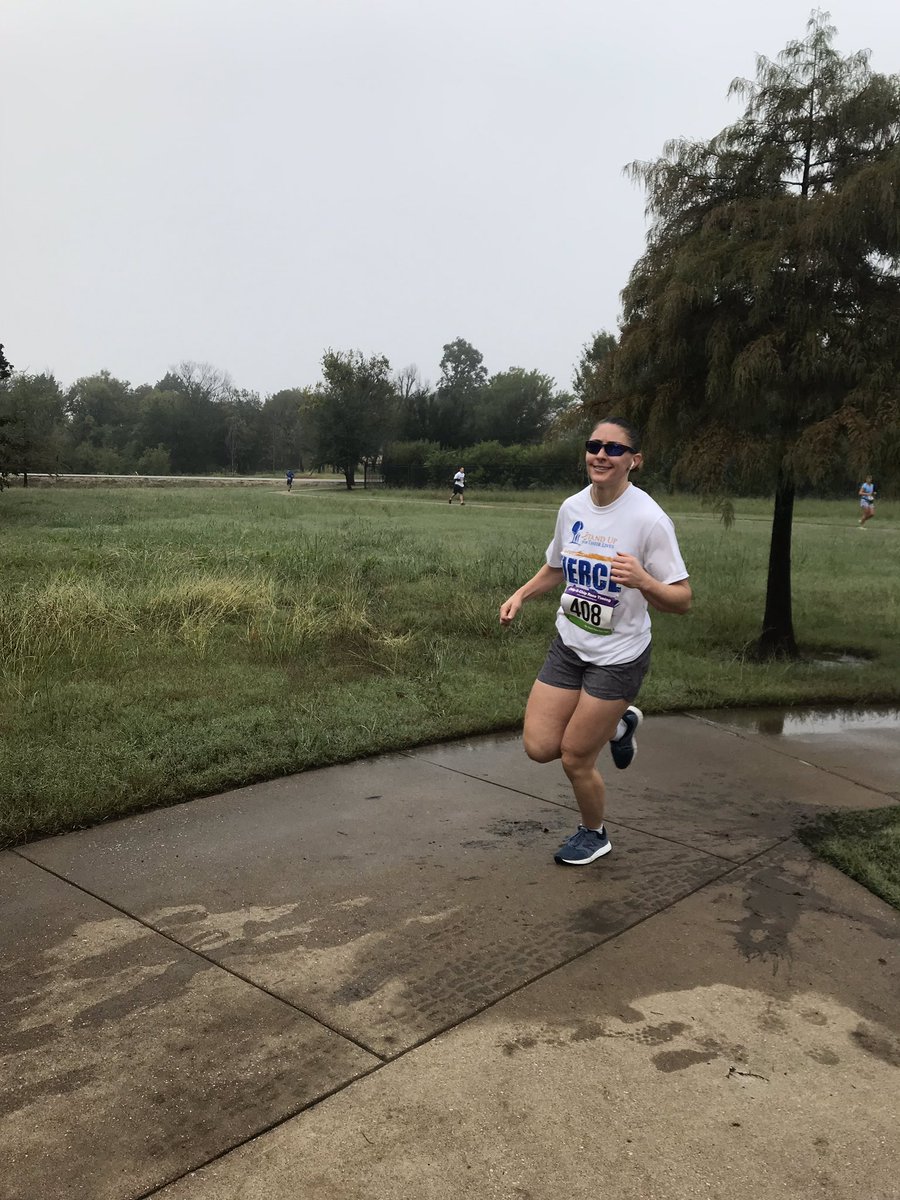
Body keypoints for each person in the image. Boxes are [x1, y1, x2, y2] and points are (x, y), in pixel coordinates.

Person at [499, 417, 692, 866]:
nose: (601, 454)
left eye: (614, 449)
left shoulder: (648, 520)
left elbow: (682, 600)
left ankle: (594, 834)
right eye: (594, 445)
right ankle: (619, 723)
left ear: (634, 461)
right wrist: (520, 594)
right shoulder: (572, 508)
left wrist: (644, 580)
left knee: (573, 758)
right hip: (570, 645)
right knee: (539, 747)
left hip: (619, 657)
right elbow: (558, 566)